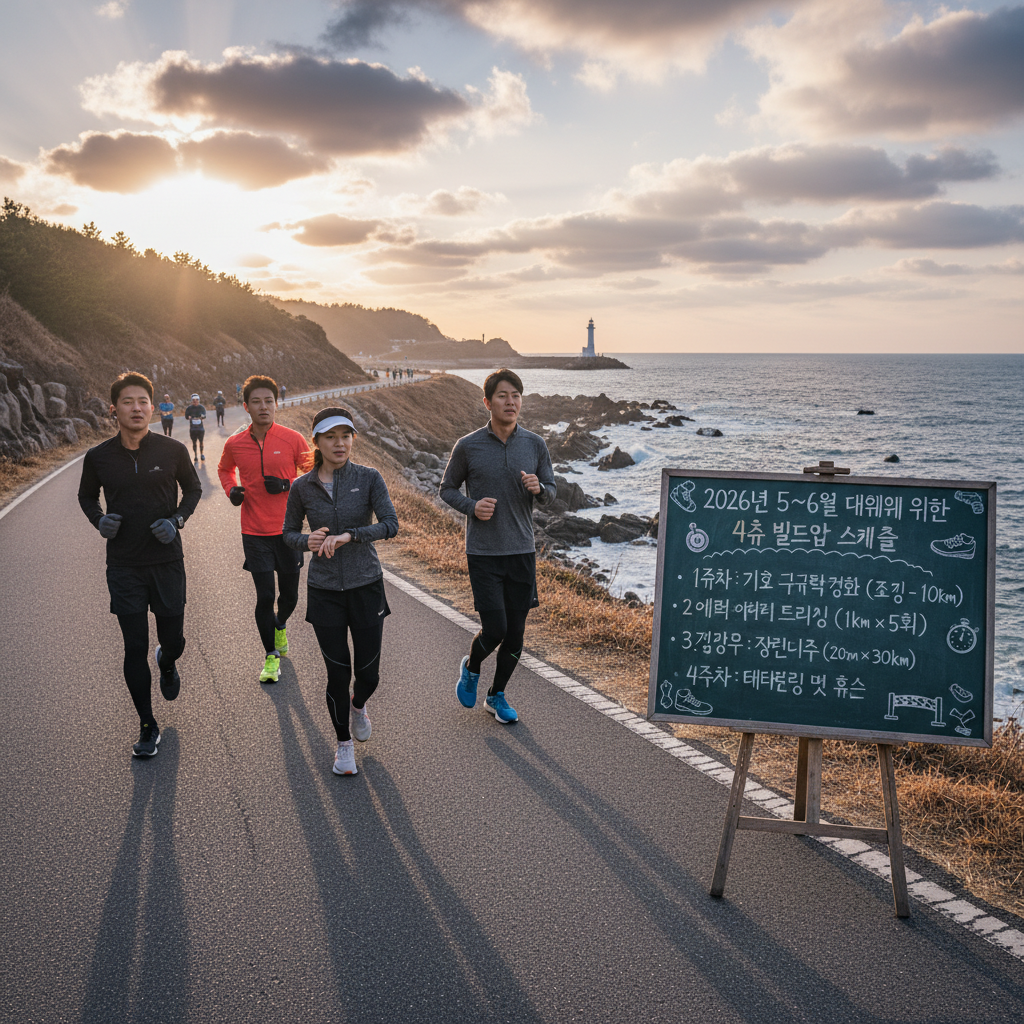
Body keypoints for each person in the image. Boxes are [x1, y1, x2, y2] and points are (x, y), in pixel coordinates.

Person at [78, 372, 202, 757]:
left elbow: (193, 489)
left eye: (142, 401)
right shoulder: (98, 457)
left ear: (153, 407)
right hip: (124, 565)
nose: (136, 408)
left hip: (166, 560)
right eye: (128, 402)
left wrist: (176, 520)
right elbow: (86, 497)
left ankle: (168, 661)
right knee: (134, 646)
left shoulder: (172, 450)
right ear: (114, 409)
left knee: (173, 641)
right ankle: (148, 726)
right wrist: (100, 521)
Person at [283, 407, 398, 776]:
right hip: (325, 589)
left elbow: (390, 525)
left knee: (369, 674)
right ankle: (343, 744)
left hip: (366, 585)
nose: (340, 443)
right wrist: (307, 541)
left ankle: (359, 704)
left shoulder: (368, 478)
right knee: (336, 672)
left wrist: (352, 535)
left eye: (346, 436)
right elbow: (288, 534)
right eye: (330, 437)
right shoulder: (302, 487)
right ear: (316, 441)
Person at [440, 368, 555, 724]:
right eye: (503, 396)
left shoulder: (535, 444)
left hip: (521, 550)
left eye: (516, 395)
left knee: (517, 634)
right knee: (496, 629)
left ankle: (497, 695)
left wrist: (539, 489)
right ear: (488, 402)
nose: (511, 402)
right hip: (484, 553)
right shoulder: (468, 445)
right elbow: (447, 489)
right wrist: (472, 507)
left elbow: (551, 493)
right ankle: (471, 667)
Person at [218, 374, 310, 684]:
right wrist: (232, 490)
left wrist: (288, 484)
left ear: (276, 404)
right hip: (254, 532)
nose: (263, 407)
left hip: (288, 532)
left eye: (268, 401)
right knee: (263, 596)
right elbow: (224, 469)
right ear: (246, 406)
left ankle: (280, 624)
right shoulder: (235, 443)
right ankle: (271, 657)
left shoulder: (293, 439)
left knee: (290, 597)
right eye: (256, 402)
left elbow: (316, 473)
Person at [184, 393, 207, 462]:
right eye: (194, 400)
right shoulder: (189, 408)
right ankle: (195, 455)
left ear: (199, 400)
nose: (195, 401)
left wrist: (202, 416)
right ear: (191, 401)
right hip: (193, 428)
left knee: (201, 442)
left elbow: (204, 415)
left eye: (197, 400)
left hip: (200, 428)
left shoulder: (201, 407)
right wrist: (189, 417)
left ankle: (202, 454)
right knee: (194, 442)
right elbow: (186, 416)